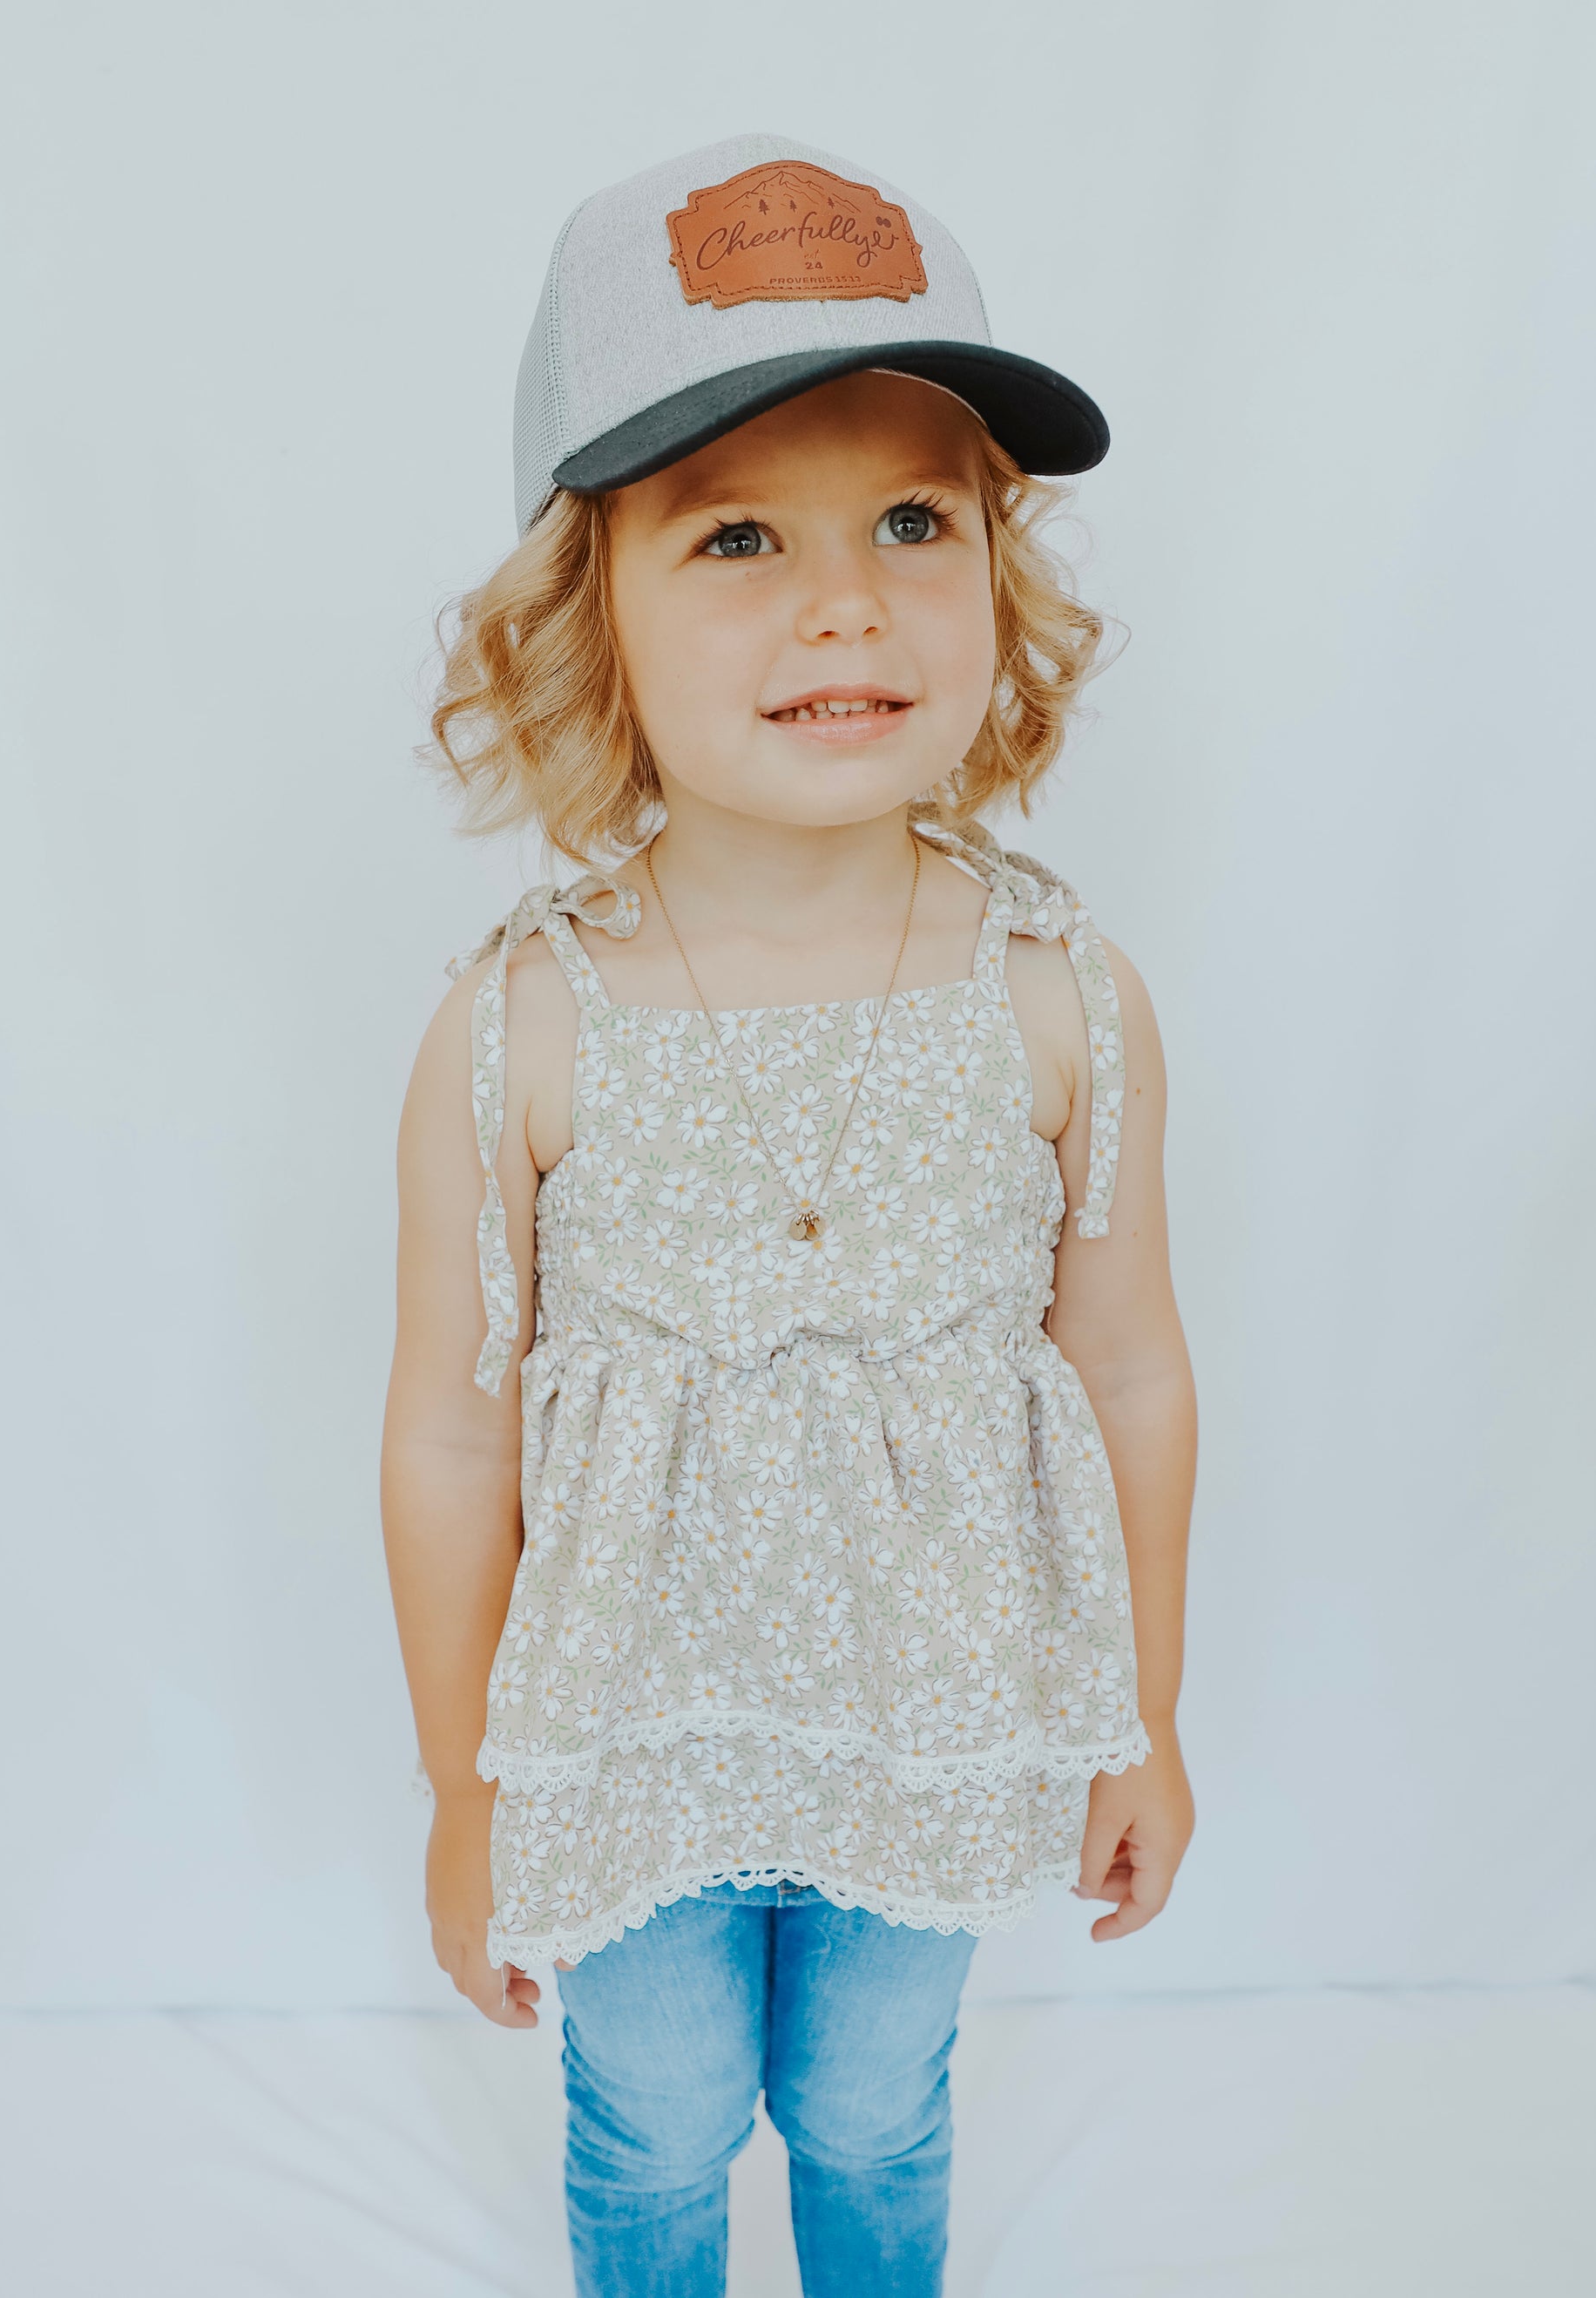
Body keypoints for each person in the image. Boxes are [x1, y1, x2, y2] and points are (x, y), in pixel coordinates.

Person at [381, 136, 1198, 2298]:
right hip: (628, 1726)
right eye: (737, 533)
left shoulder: (1056, 994)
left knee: (869, 2102)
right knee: (653, 2116)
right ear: (590, 618)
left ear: (995, 580)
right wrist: (469, 1792)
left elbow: (1126, 1361)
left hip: (940, 1709)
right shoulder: (519, 1029)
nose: (845, 603)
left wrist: (1147, 1716)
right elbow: (449, 1433)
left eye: (912, 522)